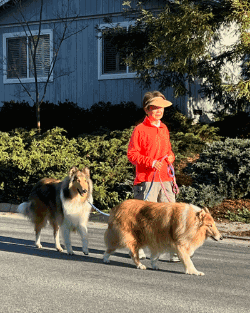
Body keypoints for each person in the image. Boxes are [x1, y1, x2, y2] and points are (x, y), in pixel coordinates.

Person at [127, 90, 180, 262]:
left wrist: (171, 157)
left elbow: (168, 151)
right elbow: (132, 155)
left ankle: (173, 251)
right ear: (147, 109)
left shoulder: (164, 128)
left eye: (162, 107)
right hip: (146, 180)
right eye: (155, 107)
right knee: (144, 219)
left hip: (165, 179)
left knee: (170, 217)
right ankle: (137, 247)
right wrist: (150, 162)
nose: (159, 111)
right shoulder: (139, 130)